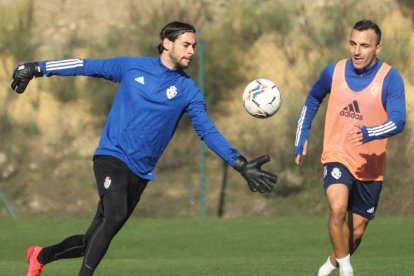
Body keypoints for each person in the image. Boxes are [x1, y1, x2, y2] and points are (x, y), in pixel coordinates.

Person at [11, 21, 277, 276]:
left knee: (92, 239)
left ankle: (40, 256)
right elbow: (86, 65)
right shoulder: (131, 67)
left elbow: (207, 131)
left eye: (194, 46)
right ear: (166, 43)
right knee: (113, 216)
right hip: (111, 157)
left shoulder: (189, 91)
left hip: (140, 173)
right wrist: (37, 67)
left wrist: (239, 163)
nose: (191, 52)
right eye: (186, 45)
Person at [294, 20, 405, 276]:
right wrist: (302, 137)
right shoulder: (333, 72)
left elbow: (398, 121)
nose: (357, 51)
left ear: (377, 48)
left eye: (364, 46)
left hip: (371, 163)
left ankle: (329, 266)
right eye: (353, 44)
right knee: (337, 208)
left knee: (356, 232)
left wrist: (369, 133)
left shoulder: (390, 78)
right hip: (337, 154)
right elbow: (312, 98)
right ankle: (346, 270)